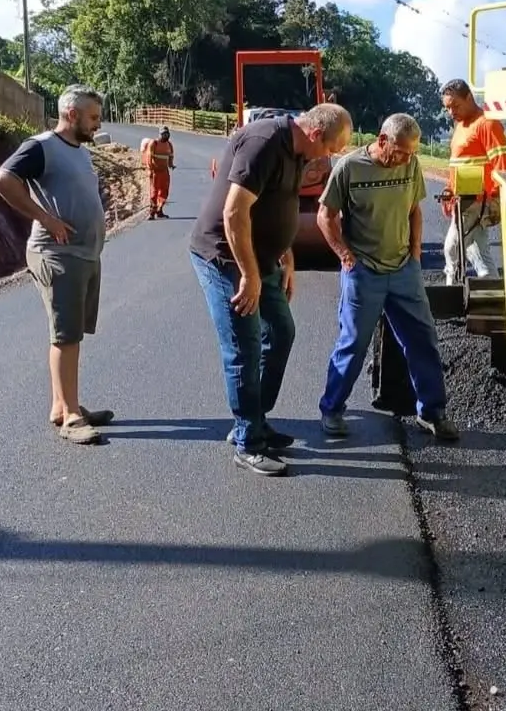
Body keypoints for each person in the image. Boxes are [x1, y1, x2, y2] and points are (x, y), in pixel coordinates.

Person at [189, 102, 353, 476]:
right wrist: (249, 276)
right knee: (243, 347)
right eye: (330, 148)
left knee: (281, 332)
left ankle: (253, 420)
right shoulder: (263, 143)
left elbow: (279, 207)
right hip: (224, 258)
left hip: (262, 259)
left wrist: (286, 256)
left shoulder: (298, 151)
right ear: (315, 133)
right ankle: (248, 442)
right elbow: (234, 213)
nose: (327, 157)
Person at [317, 113, 459, 443]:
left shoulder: (410, 165)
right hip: (363, 271)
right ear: (383, 141)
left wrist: (415, 254)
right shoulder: (350, 168)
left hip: (404, 270)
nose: (408, 160)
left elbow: (414, 211)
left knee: (423, 339)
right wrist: (344, 255)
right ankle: (332, 409)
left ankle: (432, 412)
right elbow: (326, 216)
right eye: (402, 152)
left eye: (413, 153)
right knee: (353, 343)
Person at [0, 84, 113, 445]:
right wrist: (46, 219)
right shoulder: (41, 146)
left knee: (71, 333)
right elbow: (3, 180)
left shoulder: (80, 152)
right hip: (58, 255)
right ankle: (71, 418)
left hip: (83, 254)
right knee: (65, 335)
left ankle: (63, 406)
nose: (98, 124)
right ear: (71, 114)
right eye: (93, 117)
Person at [438, 79, 506, 285]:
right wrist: (449, 190)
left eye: (455, 106)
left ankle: (450, 287)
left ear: (469, 97)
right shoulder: (460, 126)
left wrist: (493, 198)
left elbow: (502, 164)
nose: (451, 112)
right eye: (447, 108)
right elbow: (457, 164)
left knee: (452, 248)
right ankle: (491, 285)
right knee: (477, 251)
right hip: (462, 200)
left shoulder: (487, 124)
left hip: (477, 202)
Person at [141, 126, 174, 218]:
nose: (165, 136)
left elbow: (171, 156)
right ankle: (152, 212)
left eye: (167, 134)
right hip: (155, 171)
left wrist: (171, 164)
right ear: (160, 134)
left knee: (164, 191)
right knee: (154, 192)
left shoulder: (169, 144)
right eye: (164, 134)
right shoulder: (154, 143)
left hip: (164, 171)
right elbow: (149, 157)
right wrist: (150, 169)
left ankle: (160, 210)